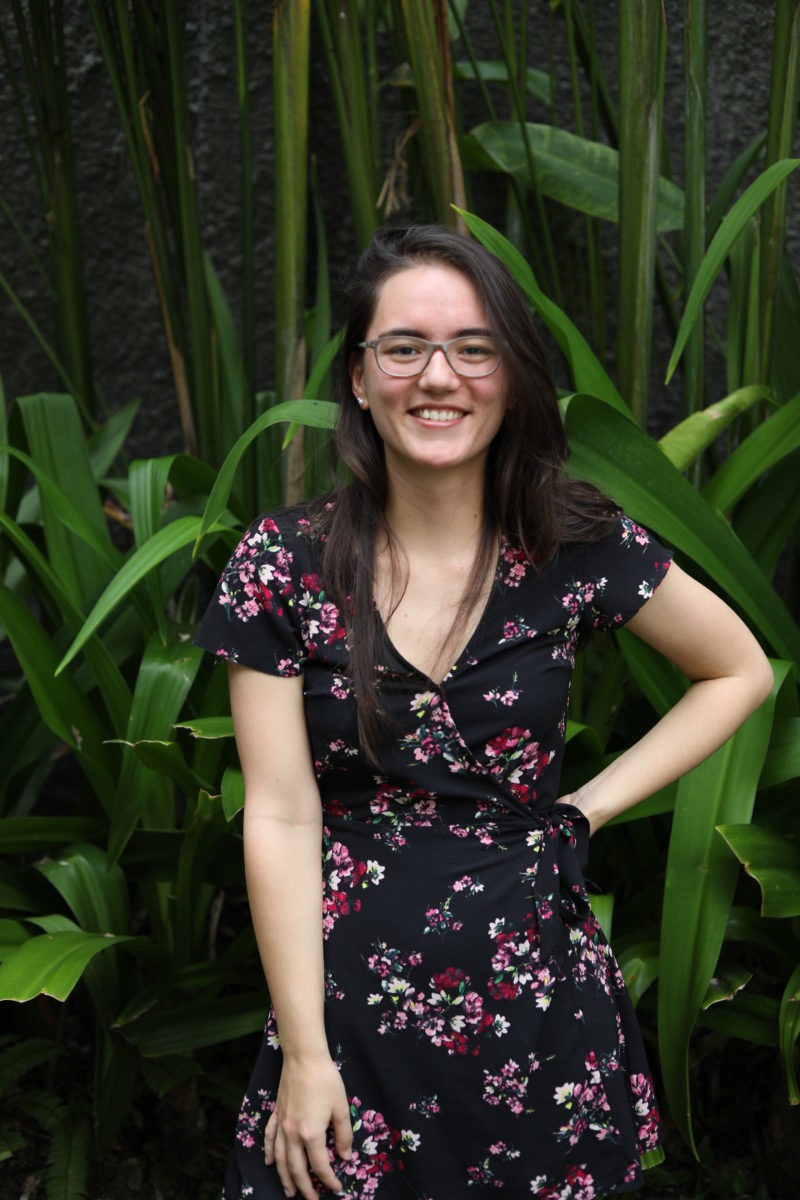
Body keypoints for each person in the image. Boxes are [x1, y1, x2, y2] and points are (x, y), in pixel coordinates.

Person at [194, 224, 773, 1200]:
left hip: (535, 1002)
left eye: (473, 347)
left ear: (510, 375)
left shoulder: (573, 543)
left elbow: (737, 671)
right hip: (347, 1019)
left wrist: (584, 808)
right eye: (404, 348)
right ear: (357, 376)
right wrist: (303, 1051)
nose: (438, 377)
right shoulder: (280, 565)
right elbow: (281, 812)